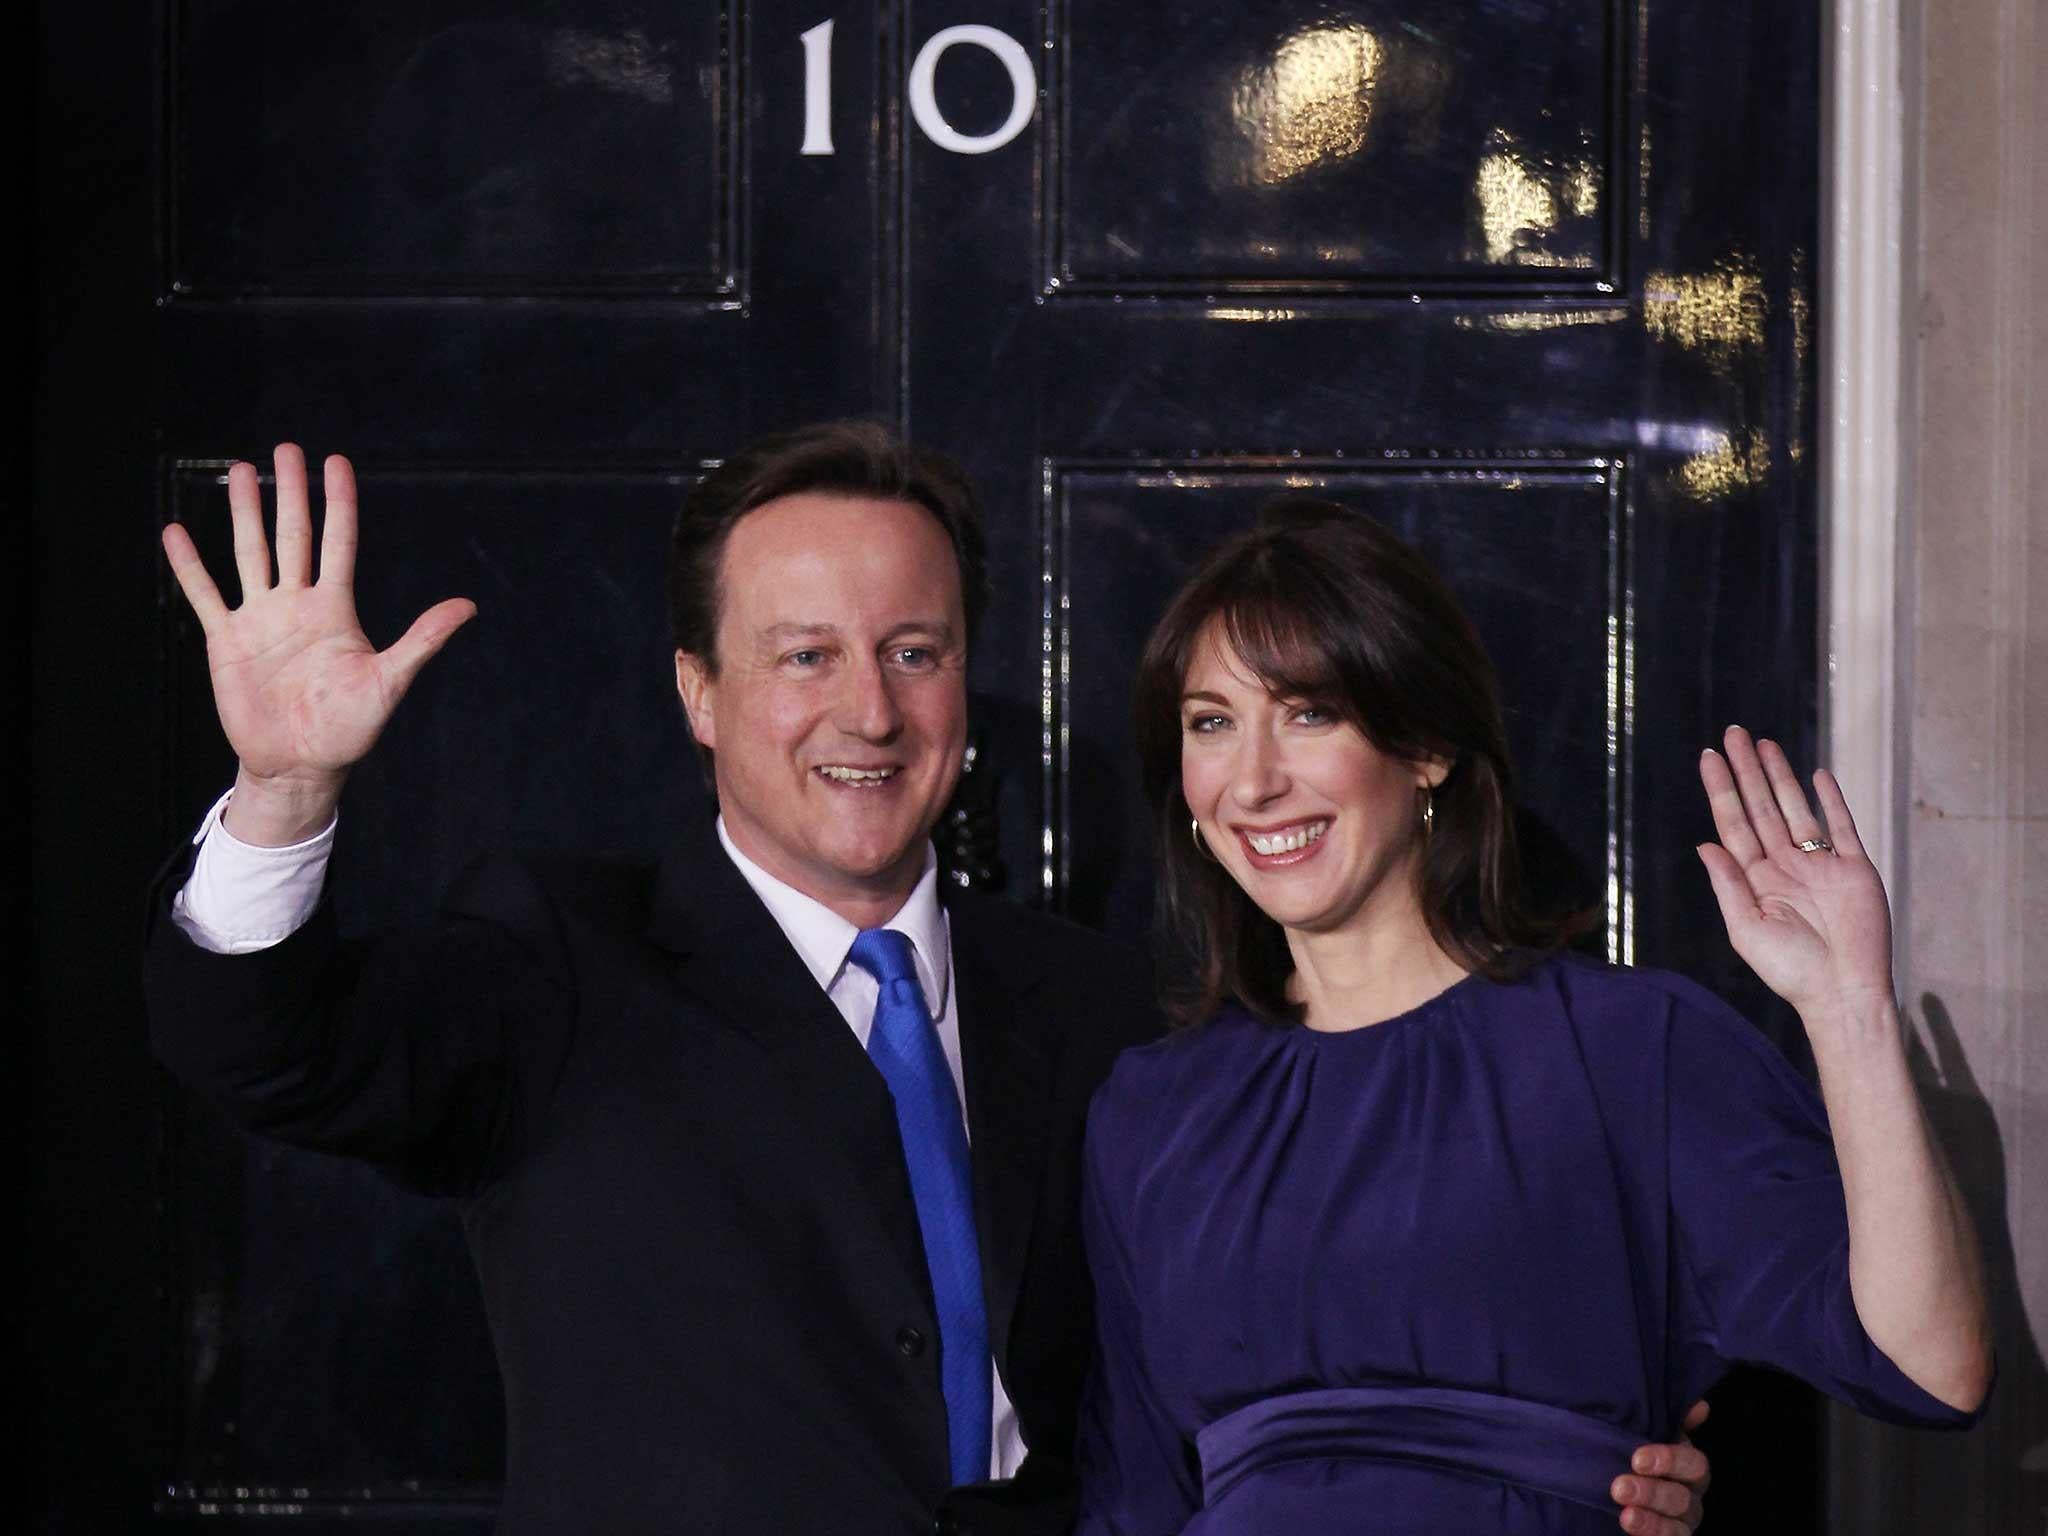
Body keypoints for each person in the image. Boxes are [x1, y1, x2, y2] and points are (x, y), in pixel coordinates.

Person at [144, 427, 1713, 1535]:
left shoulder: (1100, 1006)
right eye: (803, 655)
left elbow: (1293, 1326)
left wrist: (1591, 1455)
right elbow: (263, 1048)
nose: (870, 711)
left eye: (915, 649)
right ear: (697, 692)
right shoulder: (561, 962)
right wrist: (283, 794)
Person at [1072, 498, 1994, 1535]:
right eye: (1210, 723)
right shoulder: (1151, 1110)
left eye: (1308, 712)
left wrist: (1848, 1008)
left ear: (1423, 746)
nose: (1251, 781)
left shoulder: (1630, 1050)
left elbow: (1926, 1369)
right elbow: (1134, 1496)